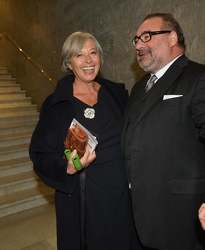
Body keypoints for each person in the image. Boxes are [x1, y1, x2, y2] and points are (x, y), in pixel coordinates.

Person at [123, 13, 205, 249]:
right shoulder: (138, 87)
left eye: (147, 36)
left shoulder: (203, 78)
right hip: (139, 213)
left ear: (172, 38)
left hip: (180, 219)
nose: (139, 44)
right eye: (136, 39)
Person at [29, 31, 140, 250]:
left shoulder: (117, 94)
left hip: (121, 195)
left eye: (93, 52)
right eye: (79, 55)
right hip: (84, 200)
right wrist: (67, 168)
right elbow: (40, 155)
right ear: (68, 64)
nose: (88, 60)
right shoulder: (57, 105)